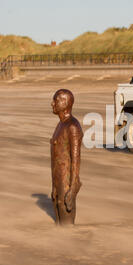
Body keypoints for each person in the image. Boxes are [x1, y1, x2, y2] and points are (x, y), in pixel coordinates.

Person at [50, 89, 83, 226]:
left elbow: (76, 159)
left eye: (56, 100)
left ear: (65, 103)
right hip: (58, 183)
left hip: (66, 184)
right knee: (59, 226)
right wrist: (54, 187)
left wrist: (73, 188)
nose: (52, 104)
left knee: (67, 225)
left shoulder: (73, 127)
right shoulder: (61, 125)